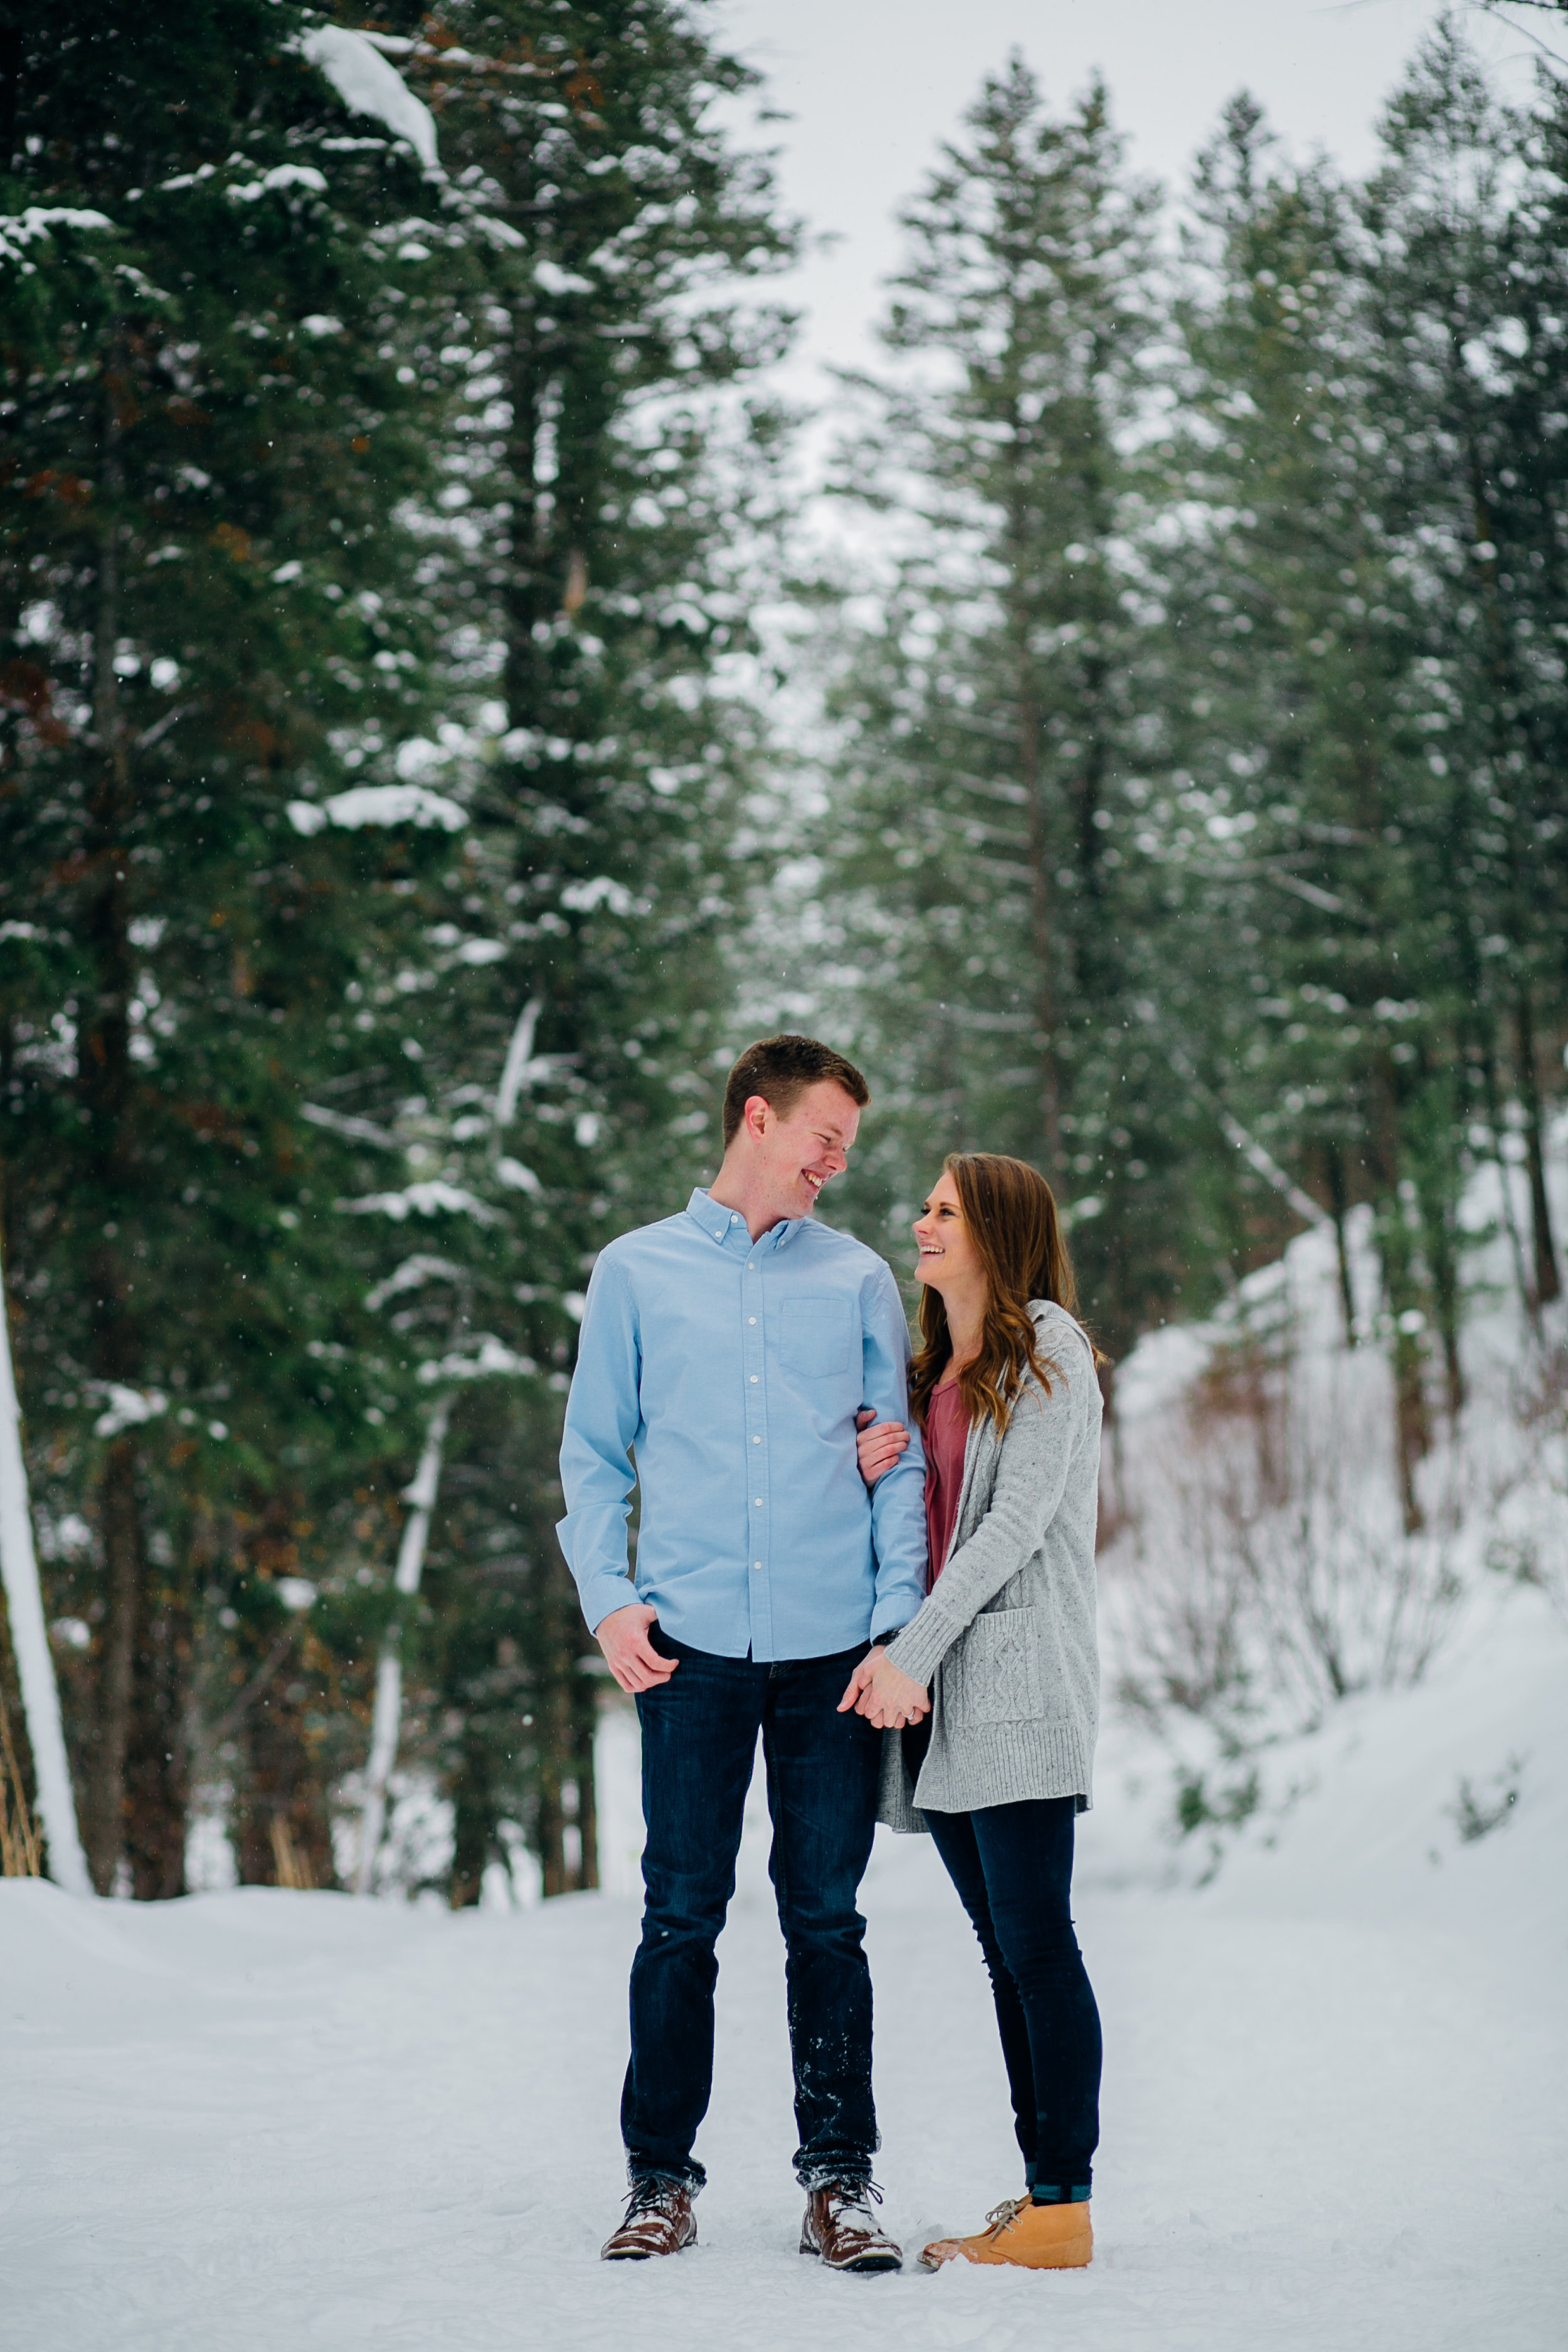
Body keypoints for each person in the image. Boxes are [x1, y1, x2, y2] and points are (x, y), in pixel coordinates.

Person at [557, 1035, 928, 2270]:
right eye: (823, 1134)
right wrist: (609, 1602)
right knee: (679, 1917)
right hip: (689, 1647)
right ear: (755, 1120)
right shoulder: (636, 1274)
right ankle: (657, 2180)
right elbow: (592, 1454)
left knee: (826, 1920)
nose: (835, 1160)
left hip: (833, 1651)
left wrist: (895, 1627)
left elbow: (896, 1459)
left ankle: (841, 2183)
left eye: (847, 1145)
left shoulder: (859, 1279)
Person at [840, 1150, 1104, 2272]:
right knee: (1005, 1951)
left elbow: (1013, 1527)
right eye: (926, 1205)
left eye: (945, 1208)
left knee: (1039, 1943)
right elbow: (931, 1520)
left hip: (1016, 1684)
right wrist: (875, 1465)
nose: (921, 1220)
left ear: (998, 1229)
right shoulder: (936, 1370)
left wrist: (910, 1652)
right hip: (944, 1697)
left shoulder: (1051, 1345)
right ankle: (1041, 2199)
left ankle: (1064, 2201)